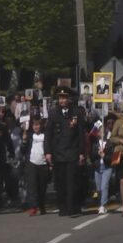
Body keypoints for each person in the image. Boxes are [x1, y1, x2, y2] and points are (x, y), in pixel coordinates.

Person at [44, 87, 85, 217]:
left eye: (64, 98)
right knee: (60, 182)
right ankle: (62, 207)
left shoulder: (76, 112)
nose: (62, 100)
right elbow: (48, 134)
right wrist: (48, 152)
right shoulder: (53, 113)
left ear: (69, 99)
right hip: (58, 153)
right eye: (60, 98)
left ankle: (72, 207)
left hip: (72, 152)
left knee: (72, 181)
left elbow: (80, 135)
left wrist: (81, 152)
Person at [22, 117, 50, 216]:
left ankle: (41, 205)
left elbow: (49, 148)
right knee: (32, 186)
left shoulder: (45, 136)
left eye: (38, 125)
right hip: (32, 163)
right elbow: (23, 150)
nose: (36, 127)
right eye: (34, 125)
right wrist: (24, 141)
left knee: (42, 187)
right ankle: (33, 207)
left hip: (43, 164)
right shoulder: (30, 136)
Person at [90, 114, 115, 214]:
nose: (101, 131)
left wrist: (104, 155)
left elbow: (112, 157)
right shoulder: (95, 143)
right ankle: (100, 202)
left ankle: (102, 205)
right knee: (99, 188)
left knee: (105, 186)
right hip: (97, 167)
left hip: (107, 167)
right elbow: (92, 155)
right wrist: (97, 153)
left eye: (102, 129)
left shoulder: (110, 142)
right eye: (99, 130)